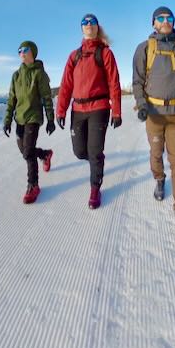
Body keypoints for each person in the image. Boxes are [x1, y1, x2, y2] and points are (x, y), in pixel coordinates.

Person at [132, 6, 175, 239]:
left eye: (169, 17)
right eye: (160, 18)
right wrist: (142, 105)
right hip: (154, 112)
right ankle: (159, 179)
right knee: (155, 152)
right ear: (153, 23)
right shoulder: (145, 48)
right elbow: (137, 82)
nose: (165, 21)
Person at [56, 13, 123, 209]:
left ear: (97, 27)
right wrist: (61, 111)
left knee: (94, 151)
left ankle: (95, 187)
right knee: (79, 151)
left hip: (99, 108)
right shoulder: (74, 56)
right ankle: (97, 160)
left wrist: (117, 111)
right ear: (81, 28)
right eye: (84, 23)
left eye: (92, 22)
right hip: (77, 109)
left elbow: (114, 83)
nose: (88, 25)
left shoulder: (105, 53)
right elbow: (66, 85)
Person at [3, 40, 56, 204]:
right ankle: (45, 154)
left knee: (27, 153)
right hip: (19, 118)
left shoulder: (39, 74)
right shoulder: (16, 75)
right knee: (26, 150)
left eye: (24, 49)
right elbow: (11, 99)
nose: (21, 52)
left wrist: (50, 119)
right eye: (19, 50)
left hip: (33, 117)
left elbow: (47, 97)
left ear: (32, 52)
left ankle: (33, 186)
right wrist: (7, 119)